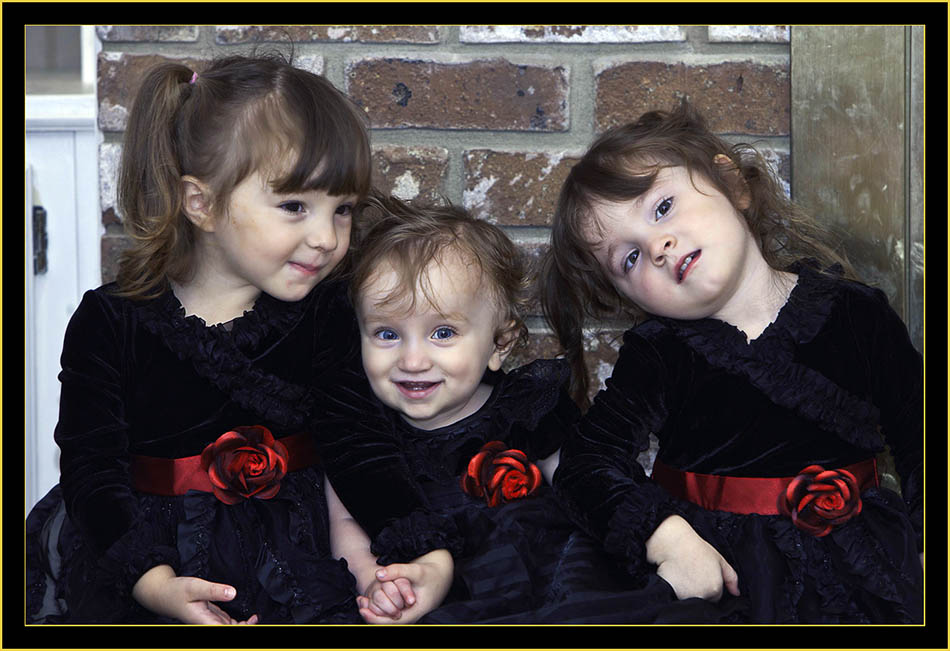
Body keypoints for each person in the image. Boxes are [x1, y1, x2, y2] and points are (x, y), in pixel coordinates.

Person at [25, 53, 454, 625]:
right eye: (295, 206)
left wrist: (426, 553)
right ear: (201, 203)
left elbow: (357, 445)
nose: (327, 237)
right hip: (151, 560)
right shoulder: (112, 321)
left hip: (292, 559)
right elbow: (91, 470)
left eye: (343, 209)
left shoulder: (324, 312)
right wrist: (153, 585)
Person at [539, 101, 923, 623]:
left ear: (732, 186)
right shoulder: (658, 352)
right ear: (629, 296)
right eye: (628, 258)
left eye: (662, 208)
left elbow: (925, 435)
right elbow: (586, 464)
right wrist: (667, 537)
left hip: (855, 566)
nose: (657, 246)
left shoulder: (857, 315)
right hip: (718, 573)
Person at [340, 194, 683, 624]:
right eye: (387, 334)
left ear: (499, 344)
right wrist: (375, 580)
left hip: (549, 581)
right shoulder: (363, 434)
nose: (412, 360)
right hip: (436, 595)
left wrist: (652, 534)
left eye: (442, 332)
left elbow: (584, 481)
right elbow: (344, 519)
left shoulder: (527, 409)